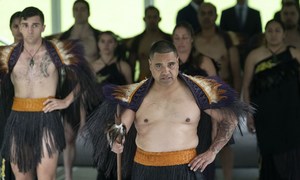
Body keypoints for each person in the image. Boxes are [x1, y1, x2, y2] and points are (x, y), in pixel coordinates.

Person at [83, 40, 252, 180]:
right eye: (159, 66)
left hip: (186, 168)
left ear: (178, 61)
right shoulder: (137, 94)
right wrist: (115, 140)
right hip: (144, 169)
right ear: (150, 65)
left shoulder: (198, 92)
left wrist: (212, 152)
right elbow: (120, 127)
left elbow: (230, 119)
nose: (166, 71)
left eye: (171, 64)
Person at [0, 6, 98, 180]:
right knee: (22, 177)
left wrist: (67, 101)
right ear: (20, 27)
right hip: (18, 119)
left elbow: (88, 75)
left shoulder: (58, 51)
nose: (30, 30)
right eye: (25, 25)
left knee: (46, 176)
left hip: (47, 118)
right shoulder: (7, 55)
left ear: (43, 27)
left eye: (35, 25)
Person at [242, 19, 300, 180]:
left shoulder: (295, 53)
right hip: (265, 116)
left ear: (284, 34)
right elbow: (246, 86)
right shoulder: (254, 56)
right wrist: (248, 114)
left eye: (277, 30)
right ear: (265, 34)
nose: (273, 34)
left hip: (292, 115)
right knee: (268, 157)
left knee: (293, 156)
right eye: (270, 31)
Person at [194, 3, 242, 180]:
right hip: (198, 98)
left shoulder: (226, 40)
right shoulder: (194, 41)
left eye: (210, 13)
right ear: (198, 16)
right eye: (203, 13)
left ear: (216, 16)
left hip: (223, 97)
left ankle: (227, 177)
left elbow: (236, 72)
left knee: (225, 141)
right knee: (201, 139)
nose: (206, 17)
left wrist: (235, 102)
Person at [58, 1, 101, 179]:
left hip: (91, 87)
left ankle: (103, 171)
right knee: (68, 136)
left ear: (88, 12)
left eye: (83, 9)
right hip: (69, 86)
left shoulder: (97, 36)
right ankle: (68, 176)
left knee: (99, 133)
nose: (79, 12)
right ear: (72, 12)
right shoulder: (65, 36)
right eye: (76, 9)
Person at [172, 22, 218, 180]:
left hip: (202, 119)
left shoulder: (204, 61)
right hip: (174, 121)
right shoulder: (168, 63)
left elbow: (215, 96)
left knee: (201, 166)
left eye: (184, 37)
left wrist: (215, 126)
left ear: (192, 39)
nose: (181, 41)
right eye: (177, 38)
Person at [0, 10, 23, 180]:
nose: (19, 30)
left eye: (23, 26)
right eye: (16, 26)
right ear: (10, 29)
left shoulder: (39, 54)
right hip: (5, 106)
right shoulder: (2, 53)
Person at [126, 6, 171, 82]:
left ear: (159, 19)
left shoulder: (167, 39)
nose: (152, 20)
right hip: (143, 82)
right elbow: (131, 66)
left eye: (154, 17)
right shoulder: (137, 41)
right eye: (149, 17)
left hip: (164, 82)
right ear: (144, 19)